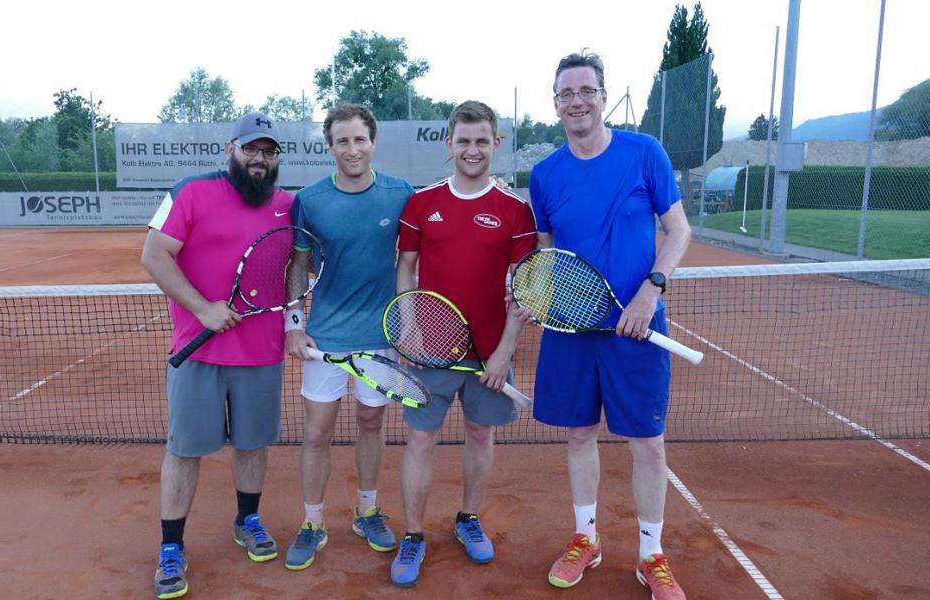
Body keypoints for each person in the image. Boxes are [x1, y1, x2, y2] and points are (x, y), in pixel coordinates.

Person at [526, 51, 692, 600]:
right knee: (578, 434)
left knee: (648, 444)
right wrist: (543, 298)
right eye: (566, 93)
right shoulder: (545, 174)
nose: (577, 101)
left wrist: (652, 289)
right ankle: (585, 539)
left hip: (638, 327)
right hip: (573, 332)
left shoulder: (644, 153)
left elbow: (678, 231)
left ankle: (652, 555)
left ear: (603, 95)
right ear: (556, 104)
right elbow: (547, 254)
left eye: (586, 91)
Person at [141, 111, 292, 599]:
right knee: (184, 451)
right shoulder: (191, 191)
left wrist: (294, 324)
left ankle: (247, 519)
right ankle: (171, 547)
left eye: (269, 151)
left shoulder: (289, 206)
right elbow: (153, 254)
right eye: (251, 148)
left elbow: (295, 268)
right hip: (197, 351)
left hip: (262, 352)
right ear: (231, 148)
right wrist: (203, 308)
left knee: (252, 445)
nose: (259, 158)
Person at [389, 100, 537, 588]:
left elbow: (522, 288)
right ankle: (413, 533)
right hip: (430, 350)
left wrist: (504, 351)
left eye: (482, 141)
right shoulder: (421, 203)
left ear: (496, 144)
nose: (472, 150)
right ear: (448, 143)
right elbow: (406, 267)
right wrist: (409, 325)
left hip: (489, 353)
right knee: (421, 438)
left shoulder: (516, 211)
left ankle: (468, 518)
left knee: (480, 435)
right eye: (463, 141)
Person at [282, 103, 415, 570]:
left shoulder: (400, 194)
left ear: (373, 142)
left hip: (379, 336)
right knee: (317, 433)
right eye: (343, 140)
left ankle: (367, 510)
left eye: (360, 139)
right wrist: (294, 323)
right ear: (330, 146)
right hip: (325, 339)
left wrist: (409, 323)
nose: (352, 148)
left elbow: (409, 260)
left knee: (372, 425)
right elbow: (298, 264)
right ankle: (313, 521)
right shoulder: (311, 200)